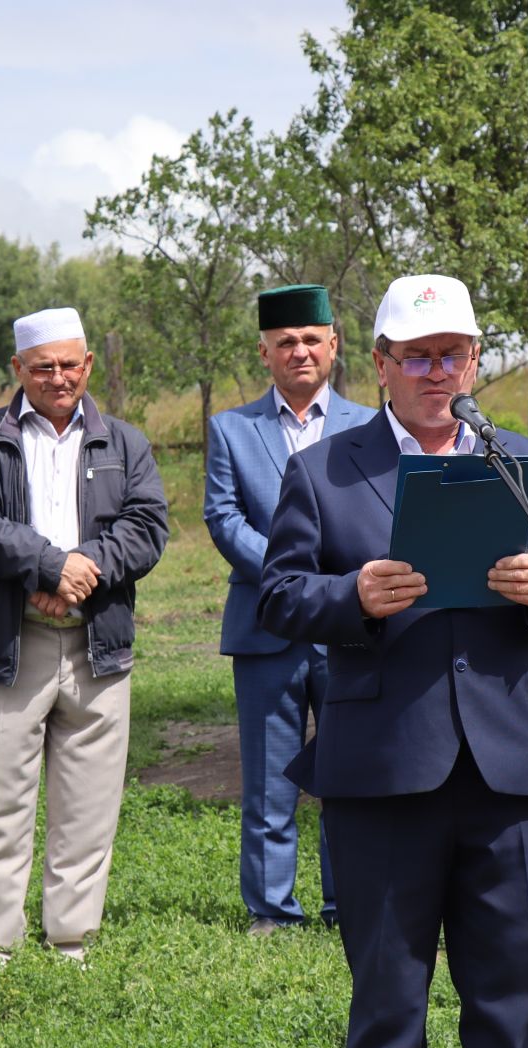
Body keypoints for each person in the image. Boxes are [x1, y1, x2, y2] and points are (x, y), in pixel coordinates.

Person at [259, 276, 528, 1048]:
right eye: (418, 355)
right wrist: (353, 594)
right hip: (382, 764)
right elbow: (280, 595)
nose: (439, 371)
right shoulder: (326, 473)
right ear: (380, 364)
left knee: (512, 981)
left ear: (476, 361)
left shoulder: (525, 464)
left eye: (455, 353)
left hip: (507, 765)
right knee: (388, 984)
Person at [0, 307, 169, 964]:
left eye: (71, 365)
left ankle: (71, 940)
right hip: (11, 643)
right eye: (44, 367)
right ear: (18, 370)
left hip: (98, 640)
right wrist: (46, 565)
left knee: (88, 805)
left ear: (89, 365)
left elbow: (148, 525)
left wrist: (81, 572)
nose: (59, 378)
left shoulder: (124, 444)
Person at [203, 285, 371, 935]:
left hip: (351, 630)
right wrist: (288, 578)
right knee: (269, 782)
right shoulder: (231, 430)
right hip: (267, 628)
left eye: (310, 340)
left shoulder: (369, 427)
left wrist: (337, 589)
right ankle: (272, 910)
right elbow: (222, 517)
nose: (298, 352)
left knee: (347, 776)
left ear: (334, 345)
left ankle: (345, 902)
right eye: (285, 343)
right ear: (264, 352)